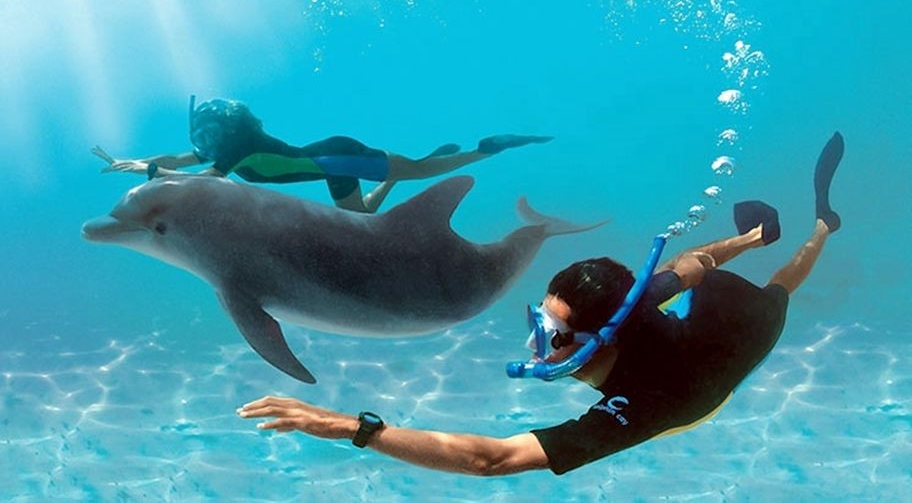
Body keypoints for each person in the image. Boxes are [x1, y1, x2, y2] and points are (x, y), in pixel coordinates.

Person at [234, 132, 846, 476]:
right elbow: (687, 266)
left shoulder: (641, 406)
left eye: (556, 335)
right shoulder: (630, 306)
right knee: (696, 271)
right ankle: (756, 236)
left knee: (776, 292)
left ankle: (823, 223)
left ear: (604, 340)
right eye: (542, 321)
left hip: (718, 362)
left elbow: (491, 459)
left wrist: (353, 428)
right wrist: (737, 241)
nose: (538, 344)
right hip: (669, 329)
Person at [93, 97, 552, 213]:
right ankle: (397, 175)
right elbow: (181, 158)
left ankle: (485, 150)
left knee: (424, 171)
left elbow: (213, 178)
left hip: (338, 157)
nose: (204, 138)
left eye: (211, 129)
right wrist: (135, 161)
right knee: (363, 216)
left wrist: (152, 172)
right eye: (202, 131)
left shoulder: (235, 149)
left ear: (228, 129)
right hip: (328, 167)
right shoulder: (221, 145)